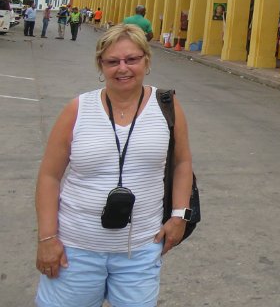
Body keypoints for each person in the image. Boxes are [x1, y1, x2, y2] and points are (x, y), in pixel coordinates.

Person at [34, 24, 193, 306]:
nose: (123, 68)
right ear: (101, 65)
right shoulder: (78, 109)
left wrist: (180, 216)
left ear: (146, 60)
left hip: (141, 250)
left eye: (132, 59)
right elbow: (49, 176)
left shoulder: (167, 105)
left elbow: (182, 162)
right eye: (113, 61)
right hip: (75, 250)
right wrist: (47, 238)